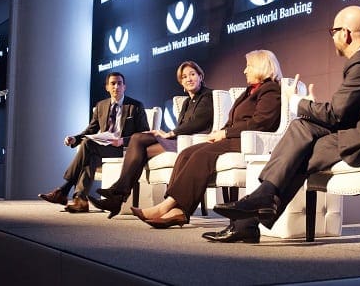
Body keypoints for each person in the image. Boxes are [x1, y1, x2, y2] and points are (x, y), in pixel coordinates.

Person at [207, 5, 360, 243]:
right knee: (301, 130)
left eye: (333, 31)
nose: (333, 37)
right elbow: (344, 112)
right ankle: (258, 206)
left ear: (345, 34)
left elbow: (336, 115)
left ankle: (252, 214)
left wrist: (297, 103)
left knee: (300, 148)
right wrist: (309, 108)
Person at [131, 49, 283, 228]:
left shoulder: (270, 89)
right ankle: (177, 211)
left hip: (249, 141)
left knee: (200, 156)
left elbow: (261, 123)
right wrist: (219, 133)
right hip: (233, 137)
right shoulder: (250, 91)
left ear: (260, 66)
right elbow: (232, 121)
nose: (245, 70)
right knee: (186, 153)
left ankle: (168, 207)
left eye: (248, 66)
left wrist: (225, 134)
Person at [88, 61, 214, 218]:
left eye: (192, 74)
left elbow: (199, 122)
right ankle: (118, 197)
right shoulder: (187, 101)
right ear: (181, 82)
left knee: (138, 139)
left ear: (200, 76)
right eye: (184, 76)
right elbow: (183, 127)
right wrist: (166, 133)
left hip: (194, 144)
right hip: (178, 141)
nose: (188, 79)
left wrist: (170, 133)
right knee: (138, 142)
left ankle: (117, 195)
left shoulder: (208, 95)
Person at [38, 72, 150, 213]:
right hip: (103, 146)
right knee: (90, 154)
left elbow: (144, 133)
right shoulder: (101, 106)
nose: (116, 86)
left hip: (124, 148)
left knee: (87, 145)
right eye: (113, 83)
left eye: (119, 83)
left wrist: (122, 140)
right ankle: (81, 200)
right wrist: (75, 139)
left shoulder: (136, 106)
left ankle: (64, 189)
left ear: (124, 86)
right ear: (107, 87)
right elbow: (91, 130)